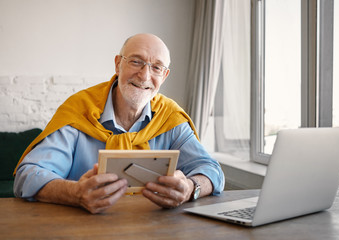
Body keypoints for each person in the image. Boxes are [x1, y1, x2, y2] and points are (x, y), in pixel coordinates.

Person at [13, 33, 224, 214]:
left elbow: (211, 171)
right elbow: (28, 175)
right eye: (135, 61)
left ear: (165, 75)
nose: (144, 75)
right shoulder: (80, 109)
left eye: (157, 67)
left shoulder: (170, 116)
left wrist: (190, 187)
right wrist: (75, 193)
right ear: (117, 64)